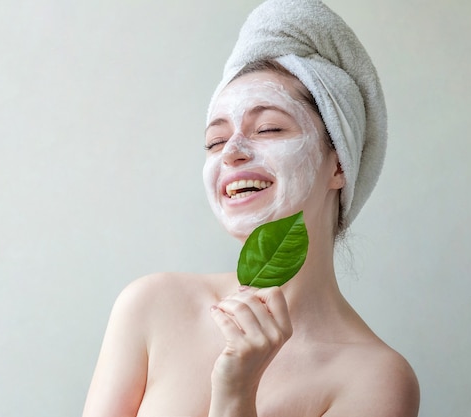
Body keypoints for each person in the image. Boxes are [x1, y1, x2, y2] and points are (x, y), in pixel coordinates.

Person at [82, 1, 419, 416]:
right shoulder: (152, 305)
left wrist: (237, 391)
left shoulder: (375, 378)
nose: (232, 153)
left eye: (269, 128)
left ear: (338, 164)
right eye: (215, 141)